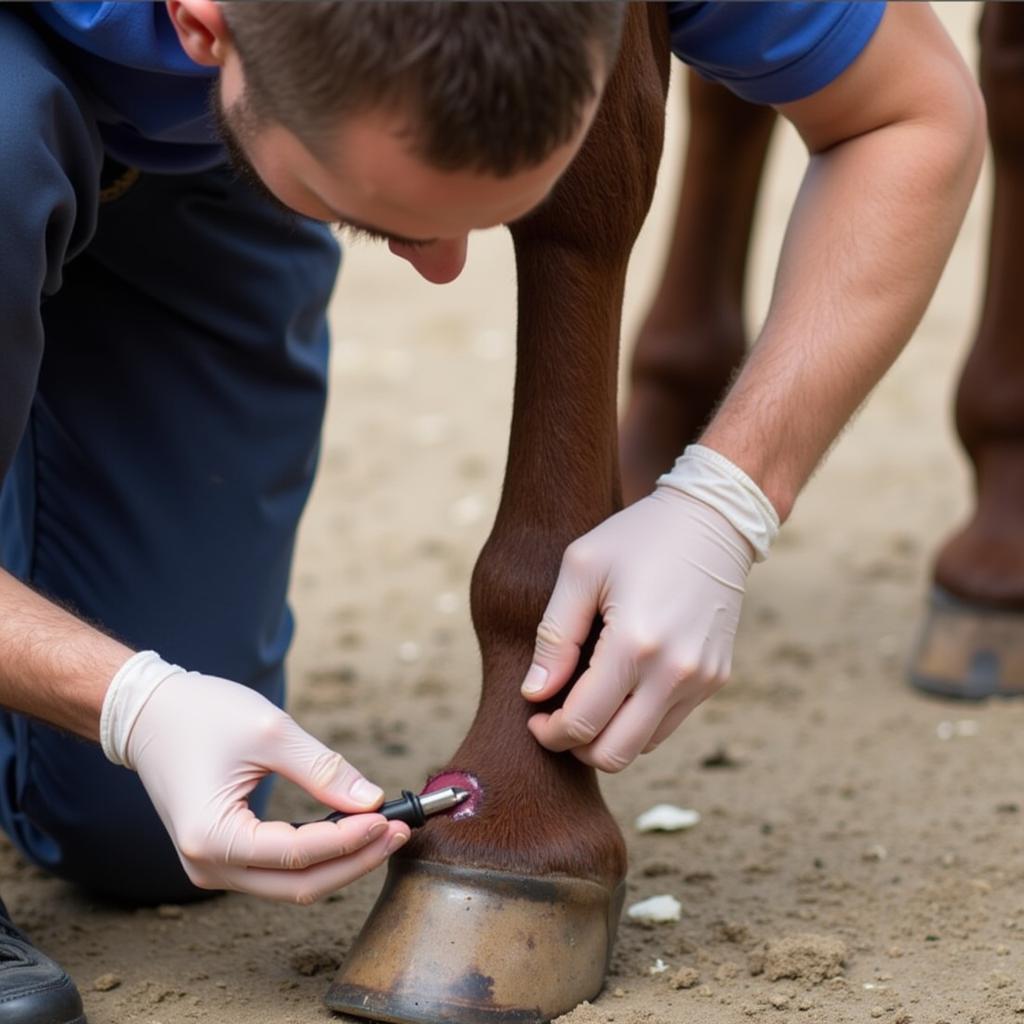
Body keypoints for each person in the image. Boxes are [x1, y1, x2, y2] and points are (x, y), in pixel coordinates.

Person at [0, 2, 981, 1021]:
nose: (442, 264)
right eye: (370, 216)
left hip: (211, 163)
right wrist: (125, 695)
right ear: (204, 23)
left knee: (136, 835)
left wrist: (726, 498)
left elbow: (913, 114)